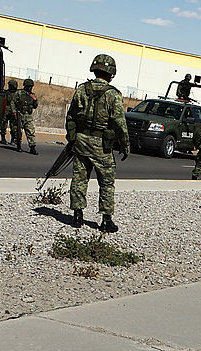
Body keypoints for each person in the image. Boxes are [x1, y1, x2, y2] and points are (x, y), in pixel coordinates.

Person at [65, 53, 129, 233]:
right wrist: (125, 145)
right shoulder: (114, 95)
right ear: (111, 73)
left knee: (79, 178)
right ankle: (106, 220)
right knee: (106, 182)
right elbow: (119, 123)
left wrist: (73, 137)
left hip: (82, 141)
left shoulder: (81, 90)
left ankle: (77, 216)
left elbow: (71, 117)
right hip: (102, 145)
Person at [11, 78, 38, 154]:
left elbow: (35, 106)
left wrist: (34, 100)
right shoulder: (19, 93)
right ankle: (18, 145)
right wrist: (14, 112)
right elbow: (13, 102)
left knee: (30, 132)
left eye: (31, 86)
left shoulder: (32, 95)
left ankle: (32, 148)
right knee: (18, 131)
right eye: (28, 86)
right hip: (20, 114)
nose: (30, 88)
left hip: (28, 116)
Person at [0, 79, 19, 145]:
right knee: (4, 125)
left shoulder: (17, 93)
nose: (11, 87)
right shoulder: (6, 93)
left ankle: (13, 139)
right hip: (6, 110)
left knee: (13, 126)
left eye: (12, 86)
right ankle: (3, 138)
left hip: (13, 111)